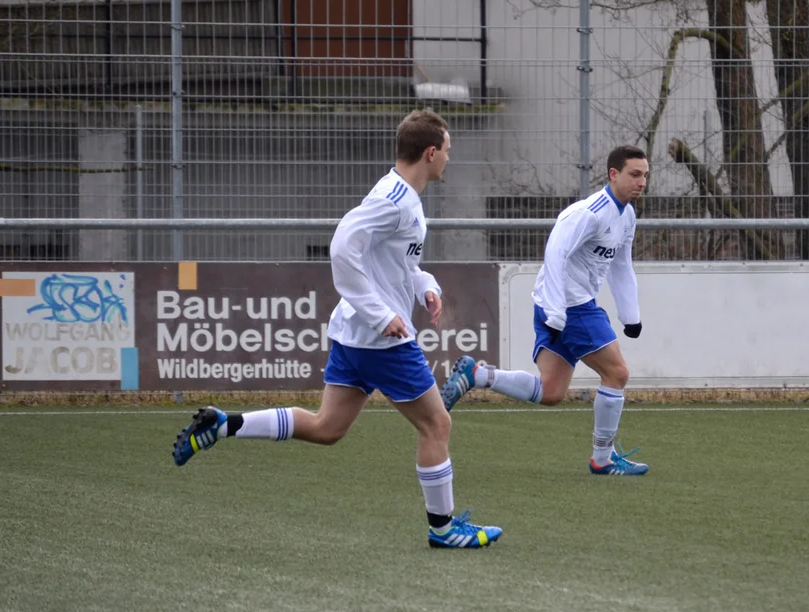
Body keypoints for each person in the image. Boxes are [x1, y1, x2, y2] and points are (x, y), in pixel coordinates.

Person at [172, 109, 503, 549]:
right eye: (446, 150)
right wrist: (381, 315)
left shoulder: (401, 195)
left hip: (353, 335)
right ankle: (443, 530)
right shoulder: (394, 200)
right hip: (380, 341)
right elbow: (342, 250)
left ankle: (224, 424)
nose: (448, 158)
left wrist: (425, 286)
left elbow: (393, 263)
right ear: (429, 152)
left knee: (328, 427)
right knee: (436, 425)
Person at [441, 145, 650, 476]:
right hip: (570, 306)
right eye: (634, 174)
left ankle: (477, 374)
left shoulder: (627, 215)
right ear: (614, 174)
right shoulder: (590, 213)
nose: (642, 182)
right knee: (617, 373)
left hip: (566, 305)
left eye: (645, 176)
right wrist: (556, 313)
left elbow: (621, 265)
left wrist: (631, 315)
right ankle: (603, 458)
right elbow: (556, 253)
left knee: (551, 391)